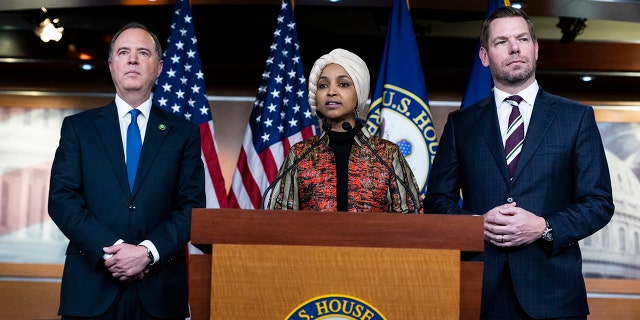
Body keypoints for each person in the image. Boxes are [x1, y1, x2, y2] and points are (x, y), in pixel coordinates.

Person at [423, 7, 614, 320]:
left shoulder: (576, 119)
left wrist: (543, 227)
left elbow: (598, 203)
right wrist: (475, 225)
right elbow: (436, 201)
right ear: (484, 56)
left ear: (535, 49)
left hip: (554, 295)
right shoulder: (461, 125)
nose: (514, 47)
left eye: (522, 39)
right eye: (501, 42)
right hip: (479, 291)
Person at [48, 22, 205, 320]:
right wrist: (114, 251)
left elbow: (191, 207)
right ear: (111, 65)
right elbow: (62, 199)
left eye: (142, 52)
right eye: (124, 52)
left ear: (158, 68)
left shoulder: (184, 134)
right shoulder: (78, 129)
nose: (132, 59)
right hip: (90, 290)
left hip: (159, 293)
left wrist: (146, 252)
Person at [267, 48, 421, 213]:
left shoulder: (386, 154)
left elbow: (410, 215)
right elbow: (279, 217)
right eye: (323, 85)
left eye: (343, 84)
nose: (331, 92)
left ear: (359, 93)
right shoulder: (300, 154)